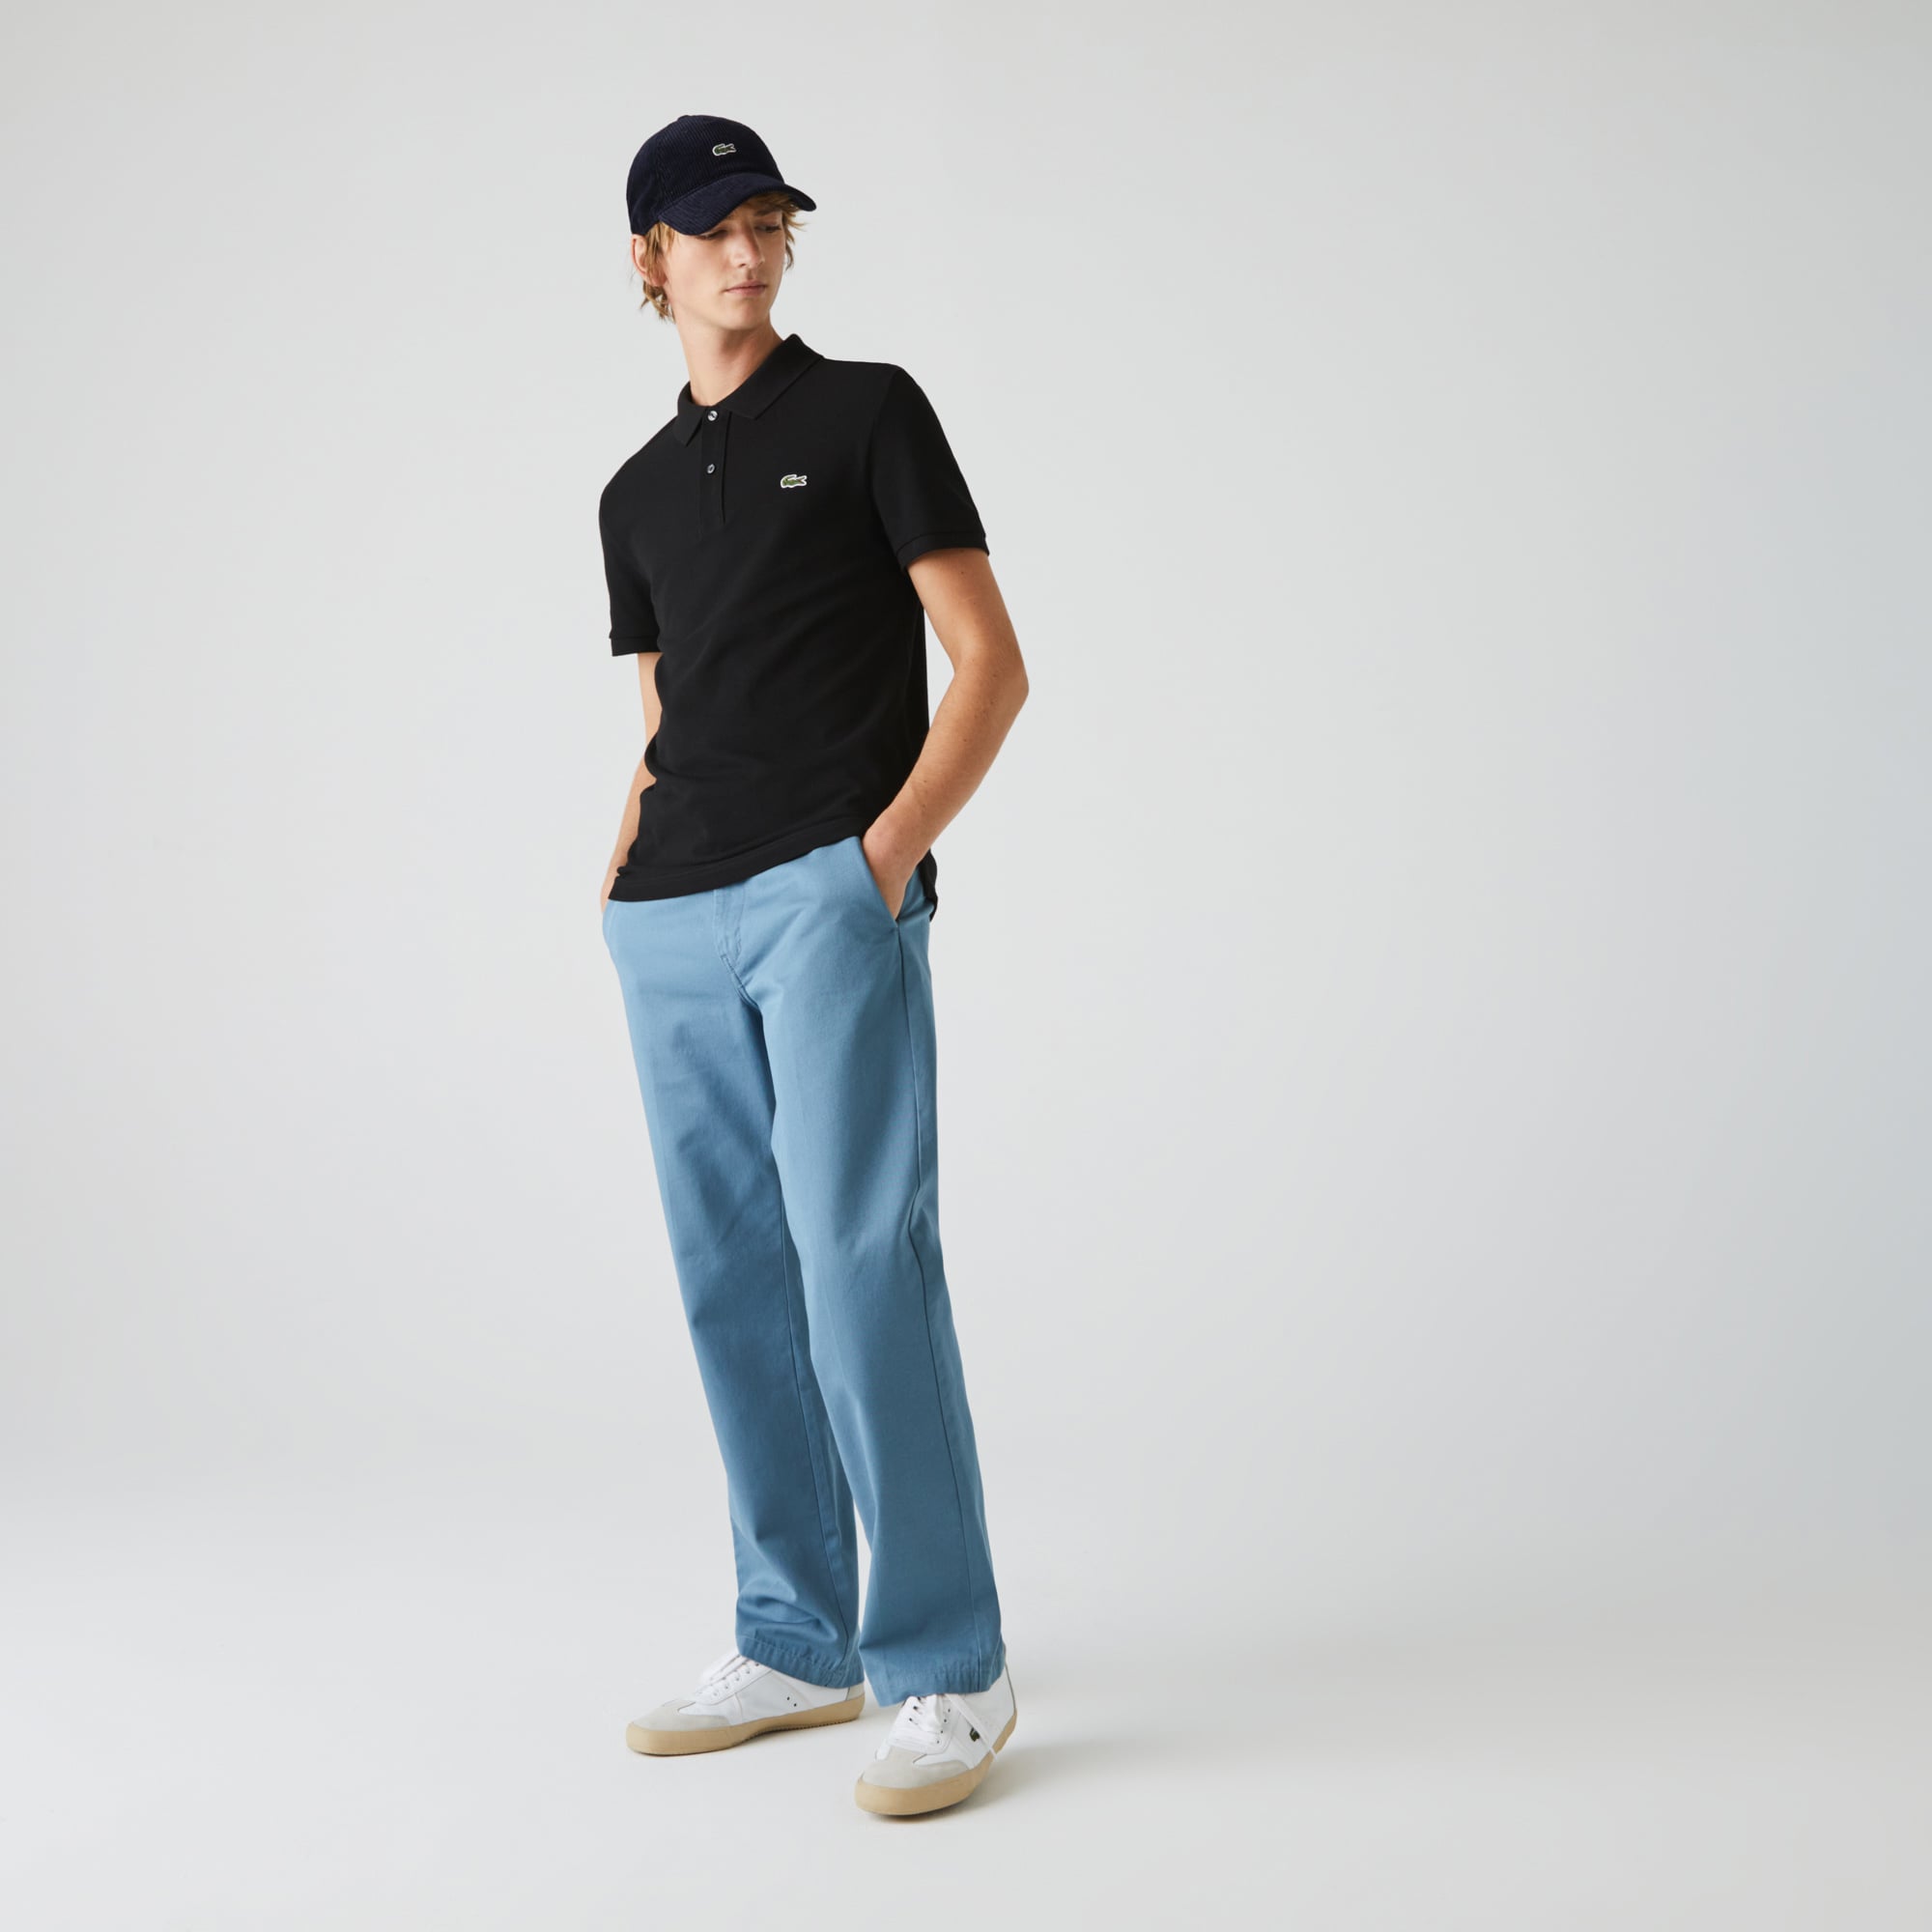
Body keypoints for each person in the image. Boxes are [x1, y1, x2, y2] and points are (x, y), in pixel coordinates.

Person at [595, 114, 1029, 1818]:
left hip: (828, 895)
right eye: (713, 226)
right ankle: (794, 1639)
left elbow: (989, 663)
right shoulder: (631, 495)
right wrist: (623, 880)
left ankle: (947, 1666)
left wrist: (882, 862)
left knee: (862, 1268)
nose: (748, 249)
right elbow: (665, 721)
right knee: (731, 1279)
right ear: (651, 256)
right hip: (670, 916)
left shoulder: (867, 413)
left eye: (768, 219)